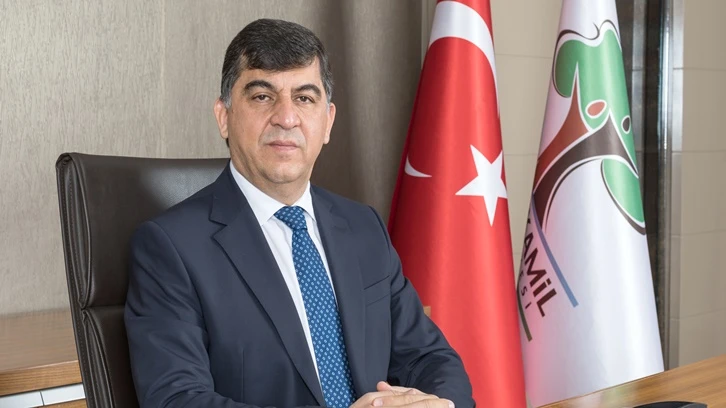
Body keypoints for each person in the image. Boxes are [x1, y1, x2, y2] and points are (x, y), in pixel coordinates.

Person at [125, 18, 474, 408]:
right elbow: (177, 399)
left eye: (305, 98)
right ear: (224, 116)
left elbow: (431, 359)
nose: (286, 117)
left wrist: (440, 405)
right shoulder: (171, 247)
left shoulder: (363, 227)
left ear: (328, 121)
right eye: (262, 96)